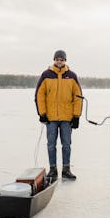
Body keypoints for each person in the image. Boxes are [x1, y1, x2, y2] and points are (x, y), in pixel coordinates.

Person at [35, 50, 82, 180]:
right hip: (51, 118)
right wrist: (42, 113)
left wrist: (76, 116)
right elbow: (39, 95)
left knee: (66, 144)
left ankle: (66, 169)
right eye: (57, 59)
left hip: (67, 118)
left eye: (62, 59)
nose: (59, 61)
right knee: (51, 144)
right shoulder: (46, 75)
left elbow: (78, 97)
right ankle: (53, 169)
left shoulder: (71, 76)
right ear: (54, 60)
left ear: (65, 61)